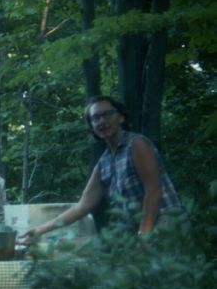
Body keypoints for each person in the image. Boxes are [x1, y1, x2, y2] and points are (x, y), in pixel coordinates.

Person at [24, 96, 181, 240]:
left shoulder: (137, 144)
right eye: (95, 118)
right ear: (92, 126)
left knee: (157, 269)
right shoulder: (104, 163)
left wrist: (144, 232)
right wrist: (39, 230)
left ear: (121, 117)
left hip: (164, 217)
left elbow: (154, 191)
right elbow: (83, 206)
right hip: (137, 227)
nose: (102, 121)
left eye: (107, 114)